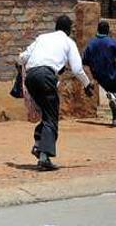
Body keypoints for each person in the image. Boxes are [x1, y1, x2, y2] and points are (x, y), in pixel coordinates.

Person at [19, 15, 94, 170]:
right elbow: (77, 69)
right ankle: (44, 157)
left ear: (56, 27)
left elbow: (23, 57)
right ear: (69, 29)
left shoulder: (42, 37)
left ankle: (38, 144)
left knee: (47, 113)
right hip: (46, 76)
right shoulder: (68, 42)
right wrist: (87, 84)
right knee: (51, 118)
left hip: (31, 77)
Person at [82, 20, 116, 127]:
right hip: (112, 74)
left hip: (99, 78)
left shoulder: (91, 44)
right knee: (114, 91)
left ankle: (115, 118)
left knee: (112, 92)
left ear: (97, 29)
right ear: (108, 30)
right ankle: (115, 115)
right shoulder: (112, 42)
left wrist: (91, 79)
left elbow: (85, 62)